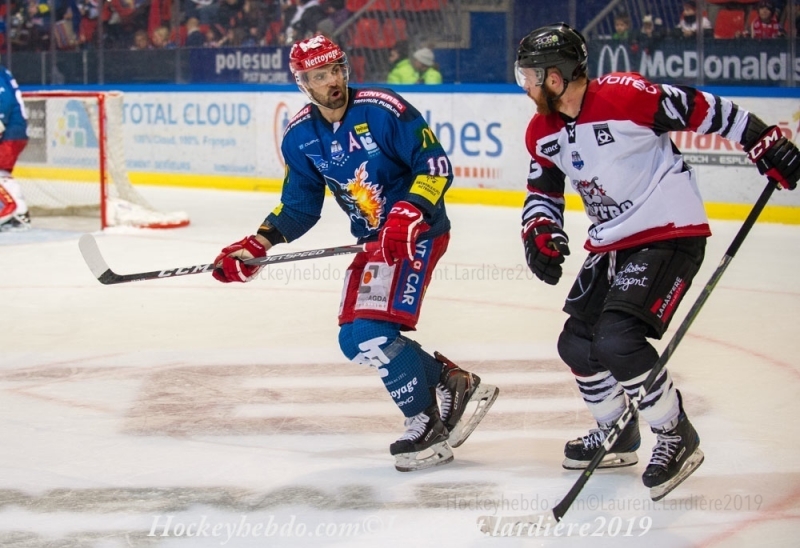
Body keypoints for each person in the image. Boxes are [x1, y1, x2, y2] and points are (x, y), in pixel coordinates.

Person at [514, 23, 800, 501]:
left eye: (530, 75)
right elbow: (542, 190)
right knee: (578, 345)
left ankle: (674, 434)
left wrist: (762, 139)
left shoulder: (627, 95)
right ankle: (617, 433)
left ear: (557, 77)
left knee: (618, 339)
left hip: (669, 231)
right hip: (611, 242)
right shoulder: (542, 130)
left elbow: (706, 109)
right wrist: (540, 230)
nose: (524, 84)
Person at [212, 35, 499, 472]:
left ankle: (424, 424)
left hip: (415, 235)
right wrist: (257, 244)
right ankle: (452, 382)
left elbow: (434, 164)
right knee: (354, 339)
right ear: (302, 84)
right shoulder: (301, 137)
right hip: (373, 243)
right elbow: (298, 206)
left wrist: (409, 213)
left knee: (370, 333)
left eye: (335, 70)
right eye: (318, 76)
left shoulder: (382, 109)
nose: (331, 82)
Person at [0, 64, 31, 232]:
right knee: (3, 172)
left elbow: (3, 101)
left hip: (10, 131)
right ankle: (19, 214)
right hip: (15, 129)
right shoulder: (3, 71)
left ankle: (10, 211)